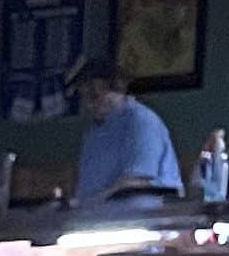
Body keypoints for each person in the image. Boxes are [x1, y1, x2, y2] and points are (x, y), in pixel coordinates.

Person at [68, 58, 184, 212]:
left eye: (95, 96)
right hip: (96, 224)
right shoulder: (92, 135)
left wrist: (92, 203)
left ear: (117, 90)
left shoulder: (141, 121)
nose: (88, 105)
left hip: (144, 221)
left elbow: (137, 181)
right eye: (84, 98)